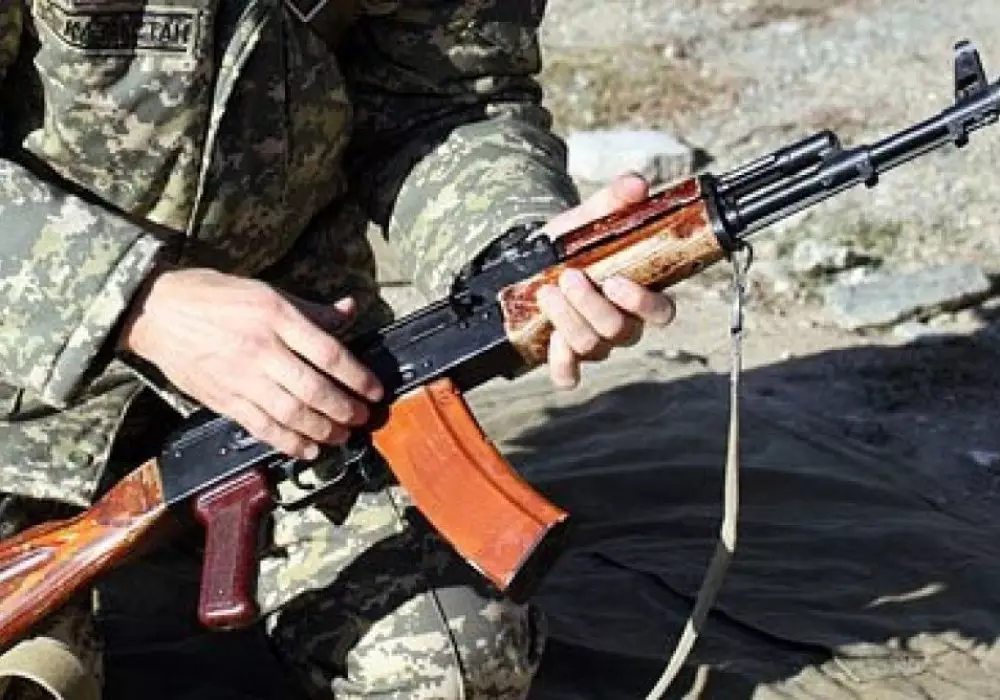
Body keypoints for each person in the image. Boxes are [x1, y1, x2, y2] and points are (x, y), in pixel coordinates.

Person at [0, 1, 676, 698]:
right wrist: (137, 302)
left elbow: (448, 101)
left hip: (310, 385)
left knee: (449, 668)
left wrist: (517, 252)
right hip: (20, 402)